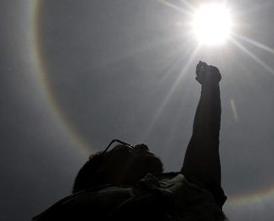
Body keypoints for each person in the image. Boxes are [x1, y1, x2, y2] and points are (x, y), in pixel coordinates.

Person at [33, 61, 227, 221]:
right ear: (98, 172)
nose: (142, 145)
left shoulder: (181, 186)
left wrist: (210, 86)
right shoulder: (71, 209)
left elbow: (205, 136)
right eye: (126, 148)